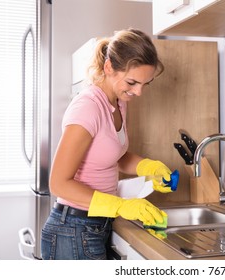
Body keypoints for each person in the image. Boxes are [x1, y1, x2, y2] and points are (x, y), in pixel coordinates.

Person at [41, 28, 175, 260]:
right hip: (72, 228)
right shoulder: (89, 107)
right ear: (109, 67)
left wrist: (148, 167)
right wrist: (121, 206)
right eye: (132, 82)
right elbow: (59, 183)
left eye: (145, 84)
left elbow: (111, 154)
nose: (139, 92)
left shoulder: (118, 101)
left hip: (93, 225)